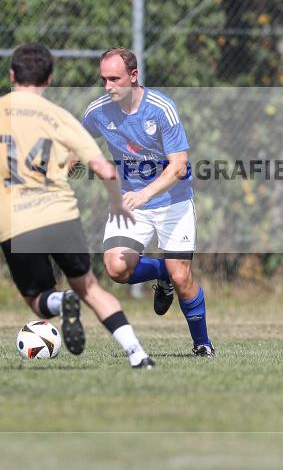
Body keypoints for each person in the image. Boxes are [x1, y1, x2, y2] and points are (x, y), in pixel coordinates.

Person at [0, 44, 155, 369]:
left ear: (12, 75)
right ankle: (138, 355)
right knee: (89, 287)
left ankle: (62, 301)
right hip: (61, 215)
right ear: (48, 78)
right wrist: (118, 204)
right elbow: (106, 170)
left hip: (16, 223)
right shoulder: (59, 117)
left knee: (38, 300)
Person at [81, 47, 214, 357]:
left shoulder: (161, 108)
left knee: (182, 278)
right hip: (129, 204)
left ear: (133, 76)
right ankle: (161, 272)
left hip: (173, 202)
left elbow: (179, 165)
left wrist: (144, 194)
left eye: (114, 79)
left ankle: (202, 344)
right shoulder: (97, 111)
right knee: (116, 268)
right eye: (103, 79)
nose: (108, 86)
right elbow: (78, 143)